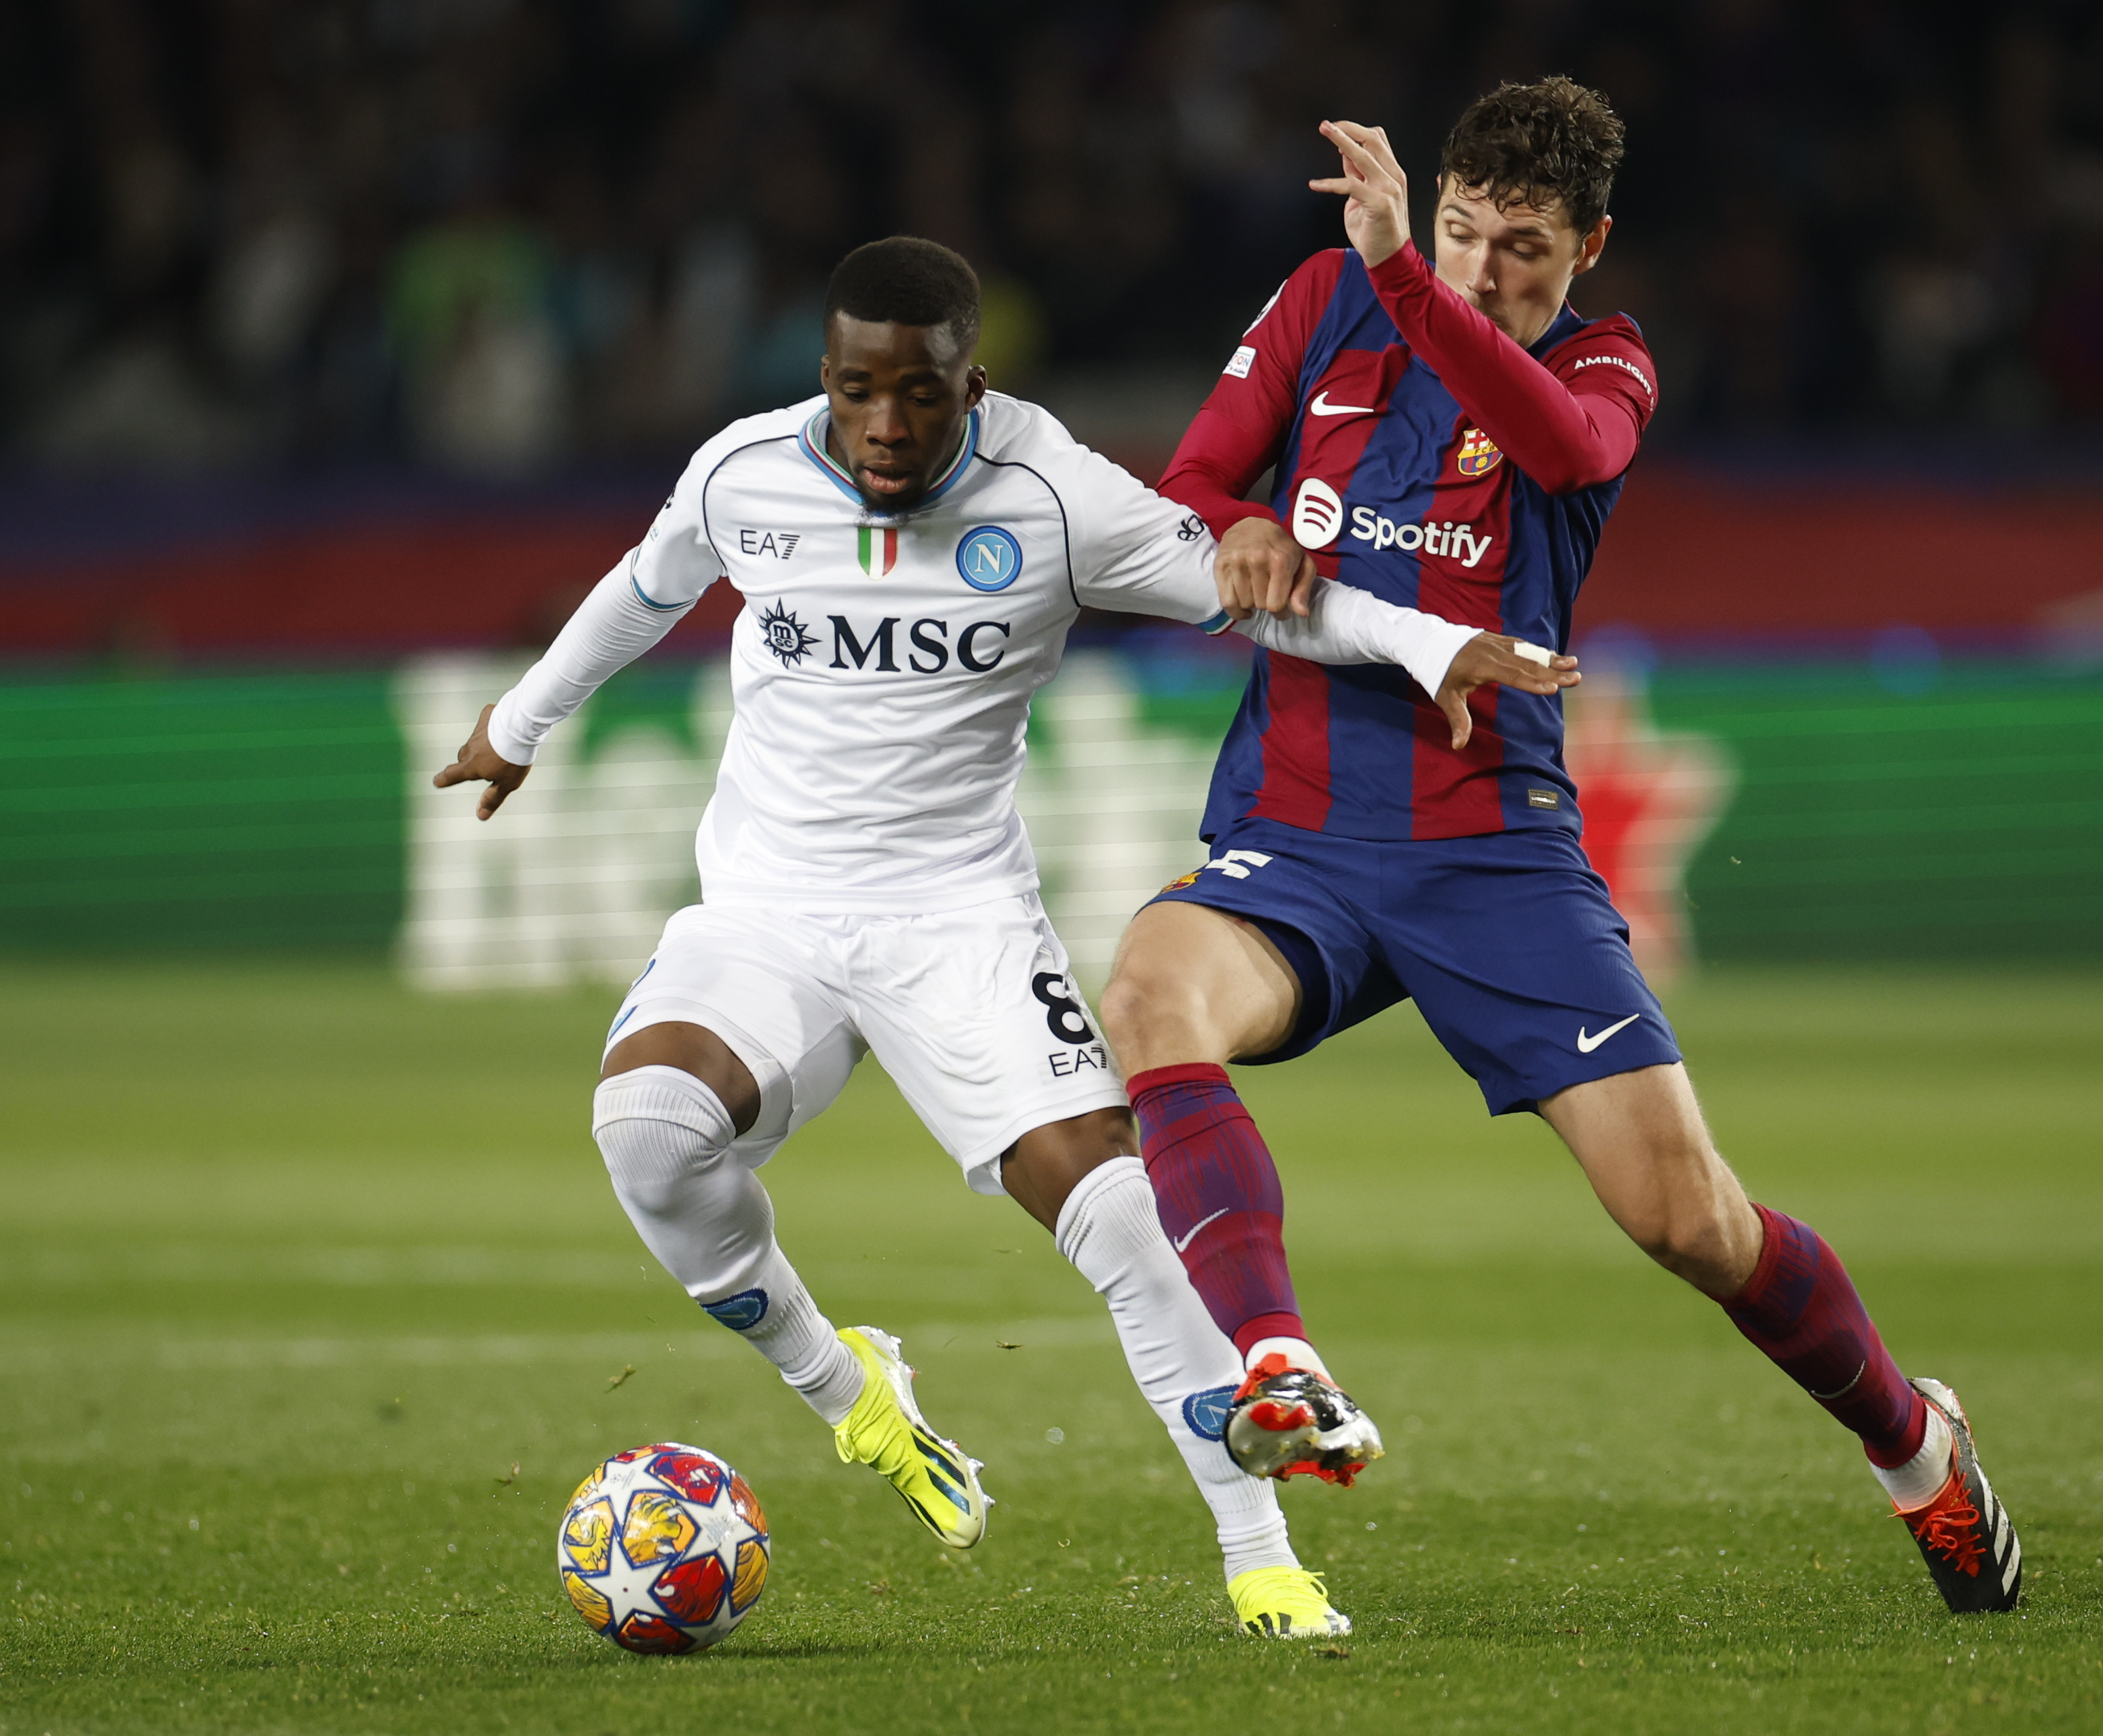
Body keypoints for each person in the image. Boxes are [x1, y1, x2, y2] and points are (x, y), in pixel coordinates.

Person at [433, 236, 1572, 1641]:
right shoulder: (743, 471)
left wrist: (1421, 644)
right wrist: (518, 723)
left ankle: (1261, 1553)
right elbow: (642, 587)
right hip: (766, 912)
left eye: (918, 395)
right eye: (857, 392)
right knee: (650, 1135)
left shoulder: (1052, 491)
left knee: (1119, 1219)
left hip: (956, 921)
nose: (886, 427)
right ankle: (852, 1396)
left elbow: (1256, 591)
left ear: (973, 382)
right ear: (827, 381)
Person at [1097, 81, 2021, 1615]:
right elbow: (1193, 478)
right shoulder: (1326, 295)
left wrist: (1408, 276)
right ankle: (1276, 1358)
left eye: (1521, 249)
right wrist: (1231, 524)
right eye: (1459, 232)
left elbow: (1567, 453)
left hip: (1493, 859)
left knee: (1686, 1219)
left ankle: (1913, 1443)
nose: (1479, 271)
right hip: (1295, 837)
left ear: (1588, 247)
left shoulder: (1605, 362)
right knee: (1148, 993)